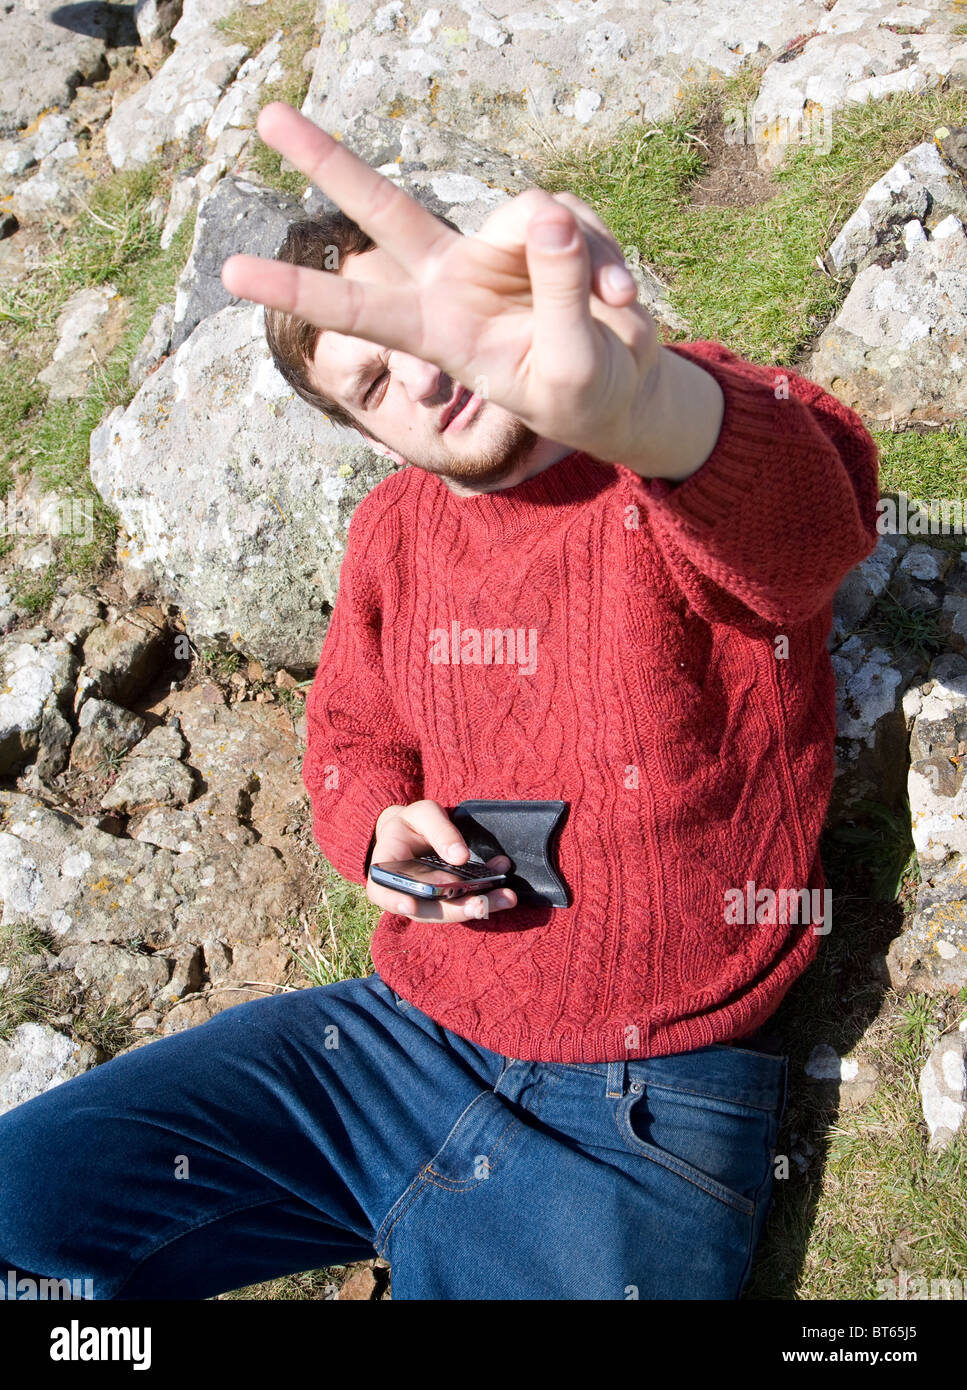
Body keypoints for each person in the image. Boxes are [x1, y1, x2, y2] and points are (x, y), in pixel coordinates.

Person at [0, 103, 881, 1301]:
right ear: (363, 430)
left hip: (636, 1108)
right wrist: (372, 827)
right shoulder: (391, 537)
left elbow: (811, 531)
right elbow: (349, 733)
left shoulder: (669, 432)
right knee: (24, 1203)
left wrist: (644, 410)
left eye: (428, 320)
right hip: (387, 1046)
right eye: (373, 378)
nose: (423, 371)